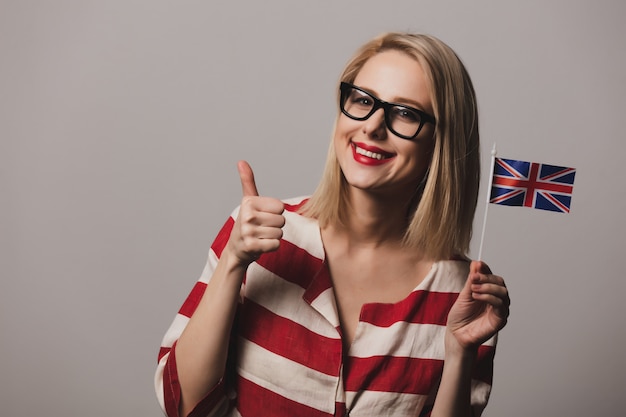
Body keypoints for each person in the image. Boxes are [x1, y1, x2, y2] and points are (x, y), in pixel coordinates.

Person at [155, 32, 510, 417]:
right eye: (363, 100)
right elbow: (182, 405)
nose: (373, 127)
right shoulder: (258, 233)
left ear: (440, 142)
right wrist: (233, 263)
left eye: (405, 113)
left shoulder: (464, 295)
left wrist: (459, 353)